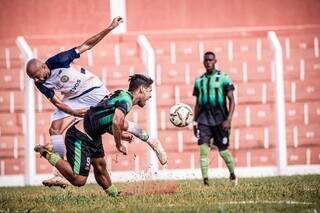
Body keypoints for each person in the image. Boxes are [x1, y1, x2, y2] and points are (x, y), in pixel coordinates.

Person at [26, 17, 124, 187]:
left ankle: (130, 134)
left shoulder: (60, 60)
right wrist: (73, 112)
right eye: (33, 78)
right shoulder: (39, 83)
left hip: (90, 88)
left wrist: (110, 28)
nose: (36, 79)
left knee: (107, 114)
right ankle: (59, 173)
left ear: (43, 66)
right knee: (54, 129)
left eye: (37, 75)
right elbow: (57, 102)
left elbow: (87, 45)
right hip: (72, 99)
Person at [34, 74, 167, 197]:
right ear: (142, 89)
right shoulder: (125, 100)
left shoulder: (121, 95)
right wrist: (119, 144)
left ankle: (115, 194)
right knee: (79, 180)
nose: (150, 96)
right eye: (149, 91)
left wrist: (121, 134)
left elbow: (104, 119)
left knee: (100, 166)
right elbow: (116, 122)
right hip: (79, 136)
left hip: (92, 135)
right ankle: (49, 153)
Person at [192, 51, 237, 186]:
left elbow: (232, 100)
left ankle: (233, 175)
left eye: (211, 60)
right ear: (203, 62)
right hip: (203, 120)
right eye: (206, 60)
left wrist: (228, 119)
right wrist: (194, 121)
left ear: (215, 61)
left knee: (223, 151)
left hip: (220, 120)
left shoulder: (224, 78)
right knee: (203, 149)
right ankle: (205, 181)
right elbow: (198, 103)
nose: (208, 62)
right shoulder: (199, 81)